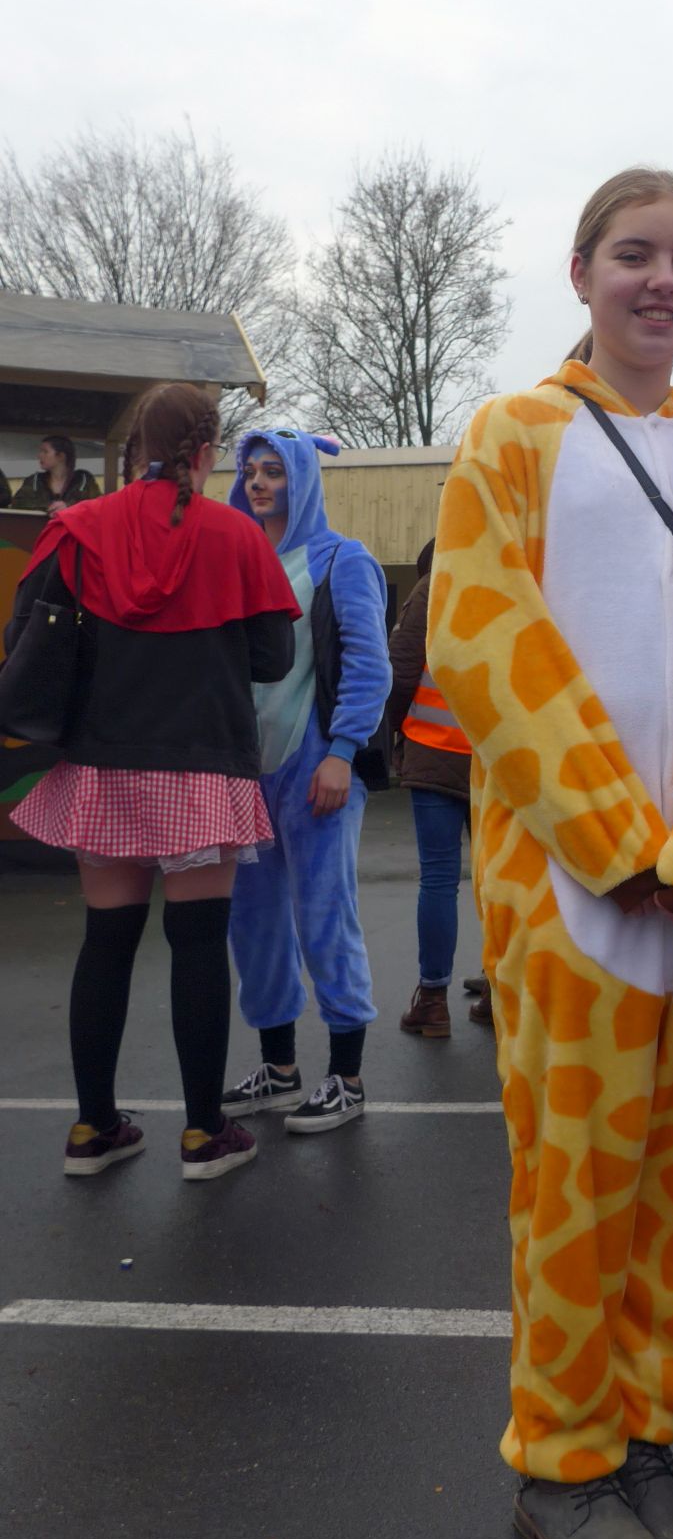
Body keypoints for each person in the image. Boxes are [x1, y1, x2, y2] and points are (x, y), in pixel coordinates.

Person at [429, 168, 673, 1539]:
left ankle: (648, 1434)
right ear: (581, 271)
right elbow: (480, 638)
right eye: (636, 254)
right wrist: (621, 841)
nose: (663, 280)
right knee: (573, 1179)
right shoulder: (512, 435)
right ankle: (562, 1459)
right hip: (575, 892)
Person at [4, 383, 297, 1179]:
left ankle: (93, 1130)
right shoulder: (236, 536)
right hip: (202, 763)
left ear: (136, 448)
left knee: (106, 941)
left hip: (103, 763)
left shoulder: (77, 527)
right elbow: (274, 659)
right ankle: (204, 1135)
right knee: (198, 942)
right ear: (204, 453)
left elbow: (25, 635)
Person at [220, 429, 391, 1134]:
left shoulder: (341, 559)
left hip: (316, 767)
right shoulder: (233, 560)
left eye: (275, 471)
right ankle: (280, 1069)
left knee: (325, 917)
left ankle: (347, 1077)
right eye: (250, 472)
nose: (259, 483)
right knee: (254, 925)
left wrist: (343, 751)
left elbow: (370, 665)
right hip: (244, 774)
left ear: (302, 480)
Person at [387, 537, 474, 1040]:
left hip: (434, 748)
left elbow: (400, 670)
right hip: (497, 758)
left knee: (439, 878)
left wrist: (395, 731)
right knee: (498, 877)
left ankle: (434, 1001)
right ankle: (500, 987)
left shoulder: (432, 586)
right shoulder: (512, 580)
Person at [11, 435, 101, 512]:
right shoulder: (34, 480)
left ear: (61, 456)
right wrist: (49, 507)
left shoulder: (83, 479)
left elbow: (97, 505)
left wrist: (69, 506)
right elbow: (17, 504)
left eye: (45, 452)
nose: (39, 455)